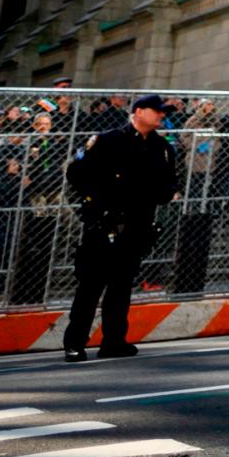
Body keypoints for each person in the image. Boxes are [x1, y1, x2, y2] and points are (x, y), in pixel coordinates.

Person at [62, 95, 180, 362]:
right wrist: (97, 203)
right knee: (90, 286)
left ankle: (114, 341)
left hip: (137, 225)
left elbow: (169, 183)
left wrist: (163, 194)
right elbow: (77, 174)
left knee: (121, 287)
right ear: (138, 112)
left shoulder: (162, 148)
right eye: (157, 111)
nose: (161, 116)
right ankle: (75, 342)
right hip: (104, 224)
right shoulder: (108, 140)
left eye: (164, 112)